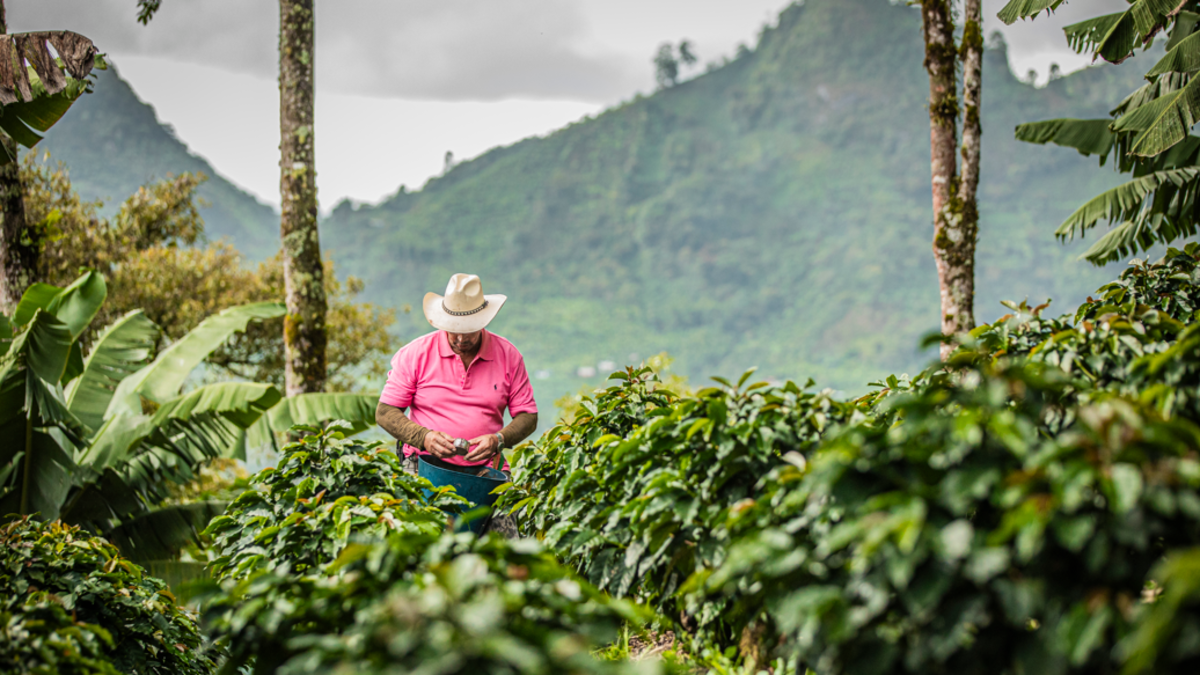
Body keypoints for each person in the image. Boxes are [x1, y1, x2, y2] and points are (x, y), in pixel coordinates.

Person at [375, 272, 539, 482]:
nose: (461, 339)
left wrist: (498, 440)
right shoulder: (416, 353)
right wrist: (424, 438)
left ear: (482, 322)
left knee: (505, 513)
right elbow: (385, 412)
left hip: (486, 469)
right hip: (421, 464)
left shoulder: (508, 356)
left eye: (469, 330)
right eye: (453, 329)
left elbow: (528, 416)